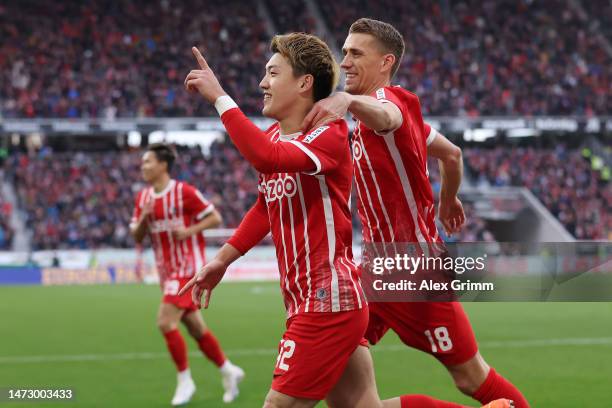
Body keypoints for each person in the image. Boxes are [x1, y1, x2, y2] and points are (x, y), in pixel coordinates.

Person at [182, 32, 510, 408]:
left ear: (304, 83)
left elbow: (265, 158)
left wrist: (220, 98)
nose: (262, 83)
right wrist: (221, 261)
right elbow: (264, 205)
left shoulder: (329, 135)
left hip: (328, 301)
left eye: (272, 73)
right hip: (311, 297)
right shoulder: (277, 135)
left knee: (277, 406)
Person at [300, 17, 528, 408]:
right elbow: (452, 155)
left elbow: (388, 116)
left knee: (471, 376)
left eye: (356, 53)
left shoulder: (391, 104)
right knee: (336, 362)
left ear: (386, 62)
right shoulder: (379, 123)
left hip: (413, 271)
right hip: (376, 270)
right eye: (344, 53)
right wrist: (448, 199)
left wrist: (349, 100)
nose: (346, 61)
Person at [130, 143, 244, 405]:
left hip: (189, 269)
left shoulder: (184, 192)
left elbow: (214, 218)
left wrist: (190, 231)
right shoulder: (143, 199)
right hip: (166, 272)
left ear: (163, 165)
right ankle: (228, 371)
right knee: (195, 329)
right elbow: (136, 236)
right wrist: (145, 219)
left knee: (165, 322)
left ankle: (185, 380)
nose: (143, 167)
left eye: (148, 162)